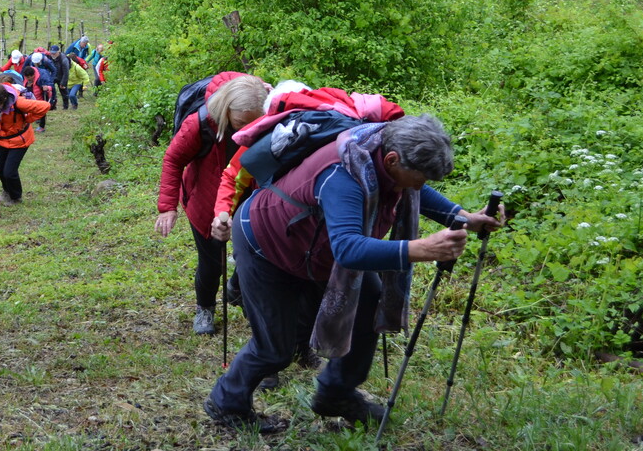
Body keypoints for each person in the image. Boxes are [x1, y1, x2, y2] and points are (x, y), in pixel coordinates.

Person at [205, 115, 503, 434]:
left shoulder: (382, 154)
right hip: (268, 246)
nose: (418, 187)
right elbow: (348, 250)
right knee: (275, 348)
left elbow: (416, 191)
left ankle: (336, 393)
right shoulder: (342, 175)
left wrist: (464, 217)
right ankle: (227, 403)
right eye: (418, 178)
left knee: (369, 304)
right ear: (392, 160)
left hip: (316, 250)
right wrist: (421, 248)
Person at [156, 74, 268, 335]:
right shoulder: (200, 124)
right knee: (212, 262)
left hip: (249, 198)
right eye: (240, 123)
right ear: (226, 109)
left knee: (254, 253)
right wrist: (168, 207)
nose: (246, 130)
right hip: (205, 199)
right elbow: (173, 159)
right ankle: (205, 308)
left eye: (254, 123)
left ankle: (236, 289)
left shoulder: (262, 107)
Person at [0, 81, 51, 204]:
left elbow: (45, 106)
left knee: (9, 172)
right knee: (0, 170)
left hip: (19, 140)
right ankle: (7, 191)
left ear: (4, 99)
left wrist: (28, 118)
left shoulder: (19, 102)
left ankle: (16, 197)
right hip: (1, 139)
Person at [48, 43, 71, 109]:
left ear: (58, 52)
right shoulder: (49, 57)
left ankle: (65, 106)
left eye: (54, 53)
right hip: (53, 76)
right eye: (52, 53)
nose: (53, 54)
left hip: (61, 76)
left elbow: (66, 73)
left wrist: (63, 83)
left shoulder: (64, 60)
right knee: (51, 91)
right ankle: (52, 105)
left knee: (63, 91)